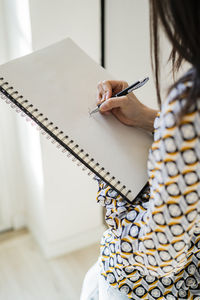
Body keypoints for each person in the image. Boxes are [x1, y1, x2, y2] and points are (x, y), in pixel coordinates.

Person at [80, 0, 200, 299]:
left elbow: (159, 258)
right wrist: (149, 117)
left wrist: (112, 189)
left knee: (98, 281)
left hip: (158, 283)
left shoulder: (190, 103)